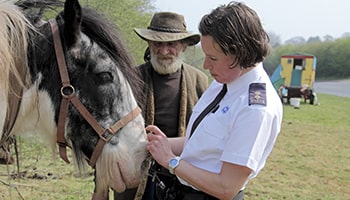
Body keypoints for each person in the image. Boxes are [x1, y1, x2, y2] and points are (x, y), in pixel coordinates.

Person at [146, 2, 283, 200]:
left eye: (213, 58)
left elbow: (226, 188)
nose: (205, 65)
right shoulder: (224, 82)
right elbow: (204, 143)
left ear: (240, 53)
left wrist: (171, 161)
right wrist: (160, 144)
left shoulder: (255, 107)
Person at [114, 12, 208, 200]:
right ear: (149, 44)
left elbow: (207, 135)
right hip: (135, 178)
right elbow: (108, 134)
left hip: (184, 179)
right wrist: (99, 188)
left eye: (171, 44)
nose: (164, 51)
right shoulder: (130, 80)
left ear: (183, 46)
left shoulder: (200, 81)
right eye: (158, 43)